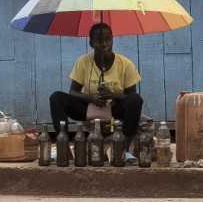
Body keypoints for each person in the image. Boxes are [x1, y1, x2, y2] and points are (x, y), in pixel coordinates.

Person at [49, 22, 144, 155]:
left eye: (107, 40)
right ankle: (63, 146)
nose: (104, 44)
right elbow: (73, 92)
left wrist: (113, 95)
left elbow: (131, 96)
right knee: (56, 98)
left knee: (136, 100)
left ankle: (124, 147)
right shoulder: (83, 62)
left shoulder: (125, 64)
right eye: (99, 41)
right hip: (88, 108)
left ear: (112, 40)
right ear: (91, 43)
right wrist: (91, 98)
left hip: (114, 108)